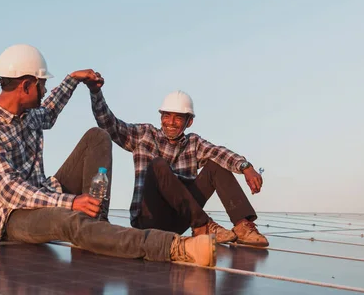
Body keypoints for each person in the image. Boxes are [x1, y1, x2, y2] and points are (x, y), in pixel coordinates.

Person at [0, 44, 216, 266]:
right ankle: (173, 247)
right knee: (69, 220)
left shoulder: (26, 115)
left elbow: (50, 111)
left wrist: (74, 79)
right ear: (26, 85)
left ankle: (99, 225)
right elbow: (11, 191)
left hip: (44, 191)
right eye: (42, 84)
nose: (45, 90)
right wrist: (71, 202)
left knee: (97, 136)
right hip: (12, 217)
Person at [89, 76, 269, 247]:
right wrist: (96, 92)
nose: (171, 122)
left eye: (178, 117)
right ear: (161, 117)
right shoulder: (143, 135)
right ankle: (203, 225)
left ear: (189, 122)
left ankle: (242, 226)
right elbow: (109, 124)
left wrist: (246, 167)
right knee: (158, 165)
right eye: (167, 116)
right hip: (149, 218)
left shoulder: (193, 143)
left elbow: (218, 152)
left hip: (181, 218)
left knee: (216, 163)